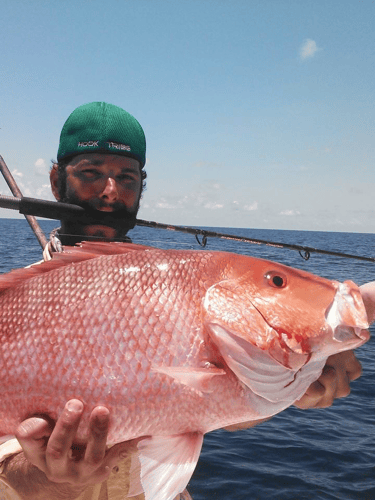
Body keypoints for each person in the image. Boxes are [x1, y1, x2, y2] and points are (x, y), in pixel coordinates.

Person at [0, 102, 370, 500]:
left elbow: (211, 407)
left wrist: (297, 381)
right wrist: (48, 476)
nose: (110, 193)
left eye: (126, 178)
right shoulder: (20, 300)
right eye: (91, 173)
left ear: (142, 187)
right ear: (57, 182)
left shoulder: (169, 285)